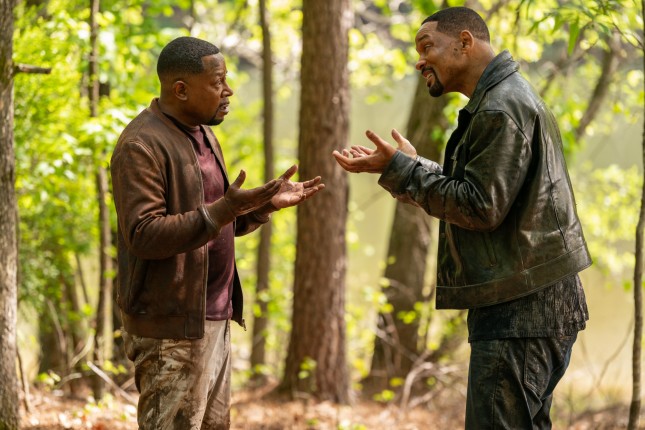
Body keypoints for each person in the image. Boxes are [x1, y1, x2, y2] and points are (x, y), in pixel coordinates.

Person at [333, 6, 591, 429]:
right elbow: (482, 191)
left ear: (465, 43)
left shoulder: (499, 108)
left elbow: (479, 207)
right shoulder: (503, 98)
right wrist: (410, 166)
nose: (420, 61)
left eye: (427, 47)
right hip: (530, 301)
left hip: (521, 310)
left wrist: (403, 170)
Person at [111, 36, 324, 429]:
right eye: (218, 82)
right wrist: (225, 208)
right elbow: (144, 234)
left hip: (213, 319)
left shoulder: (204, 134)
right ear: (181, 89)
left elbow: (212, 222)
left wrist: (262, 206)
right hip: (171, 329)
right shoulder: (142, 145)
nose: (228, 91)